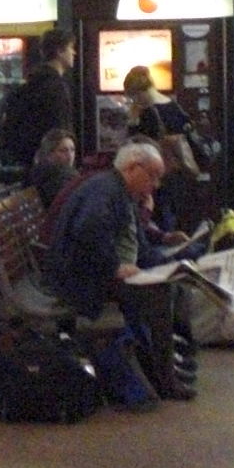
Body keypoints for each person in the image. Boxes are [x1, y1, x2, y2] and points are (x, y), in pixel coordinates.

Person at [39, 141, 195, 400]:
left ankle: (163, 369)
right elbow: (87, 231)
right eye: (153, 176)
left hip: (90, 272)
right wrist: (115, 267)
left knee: (170, 285)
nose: (155, 185)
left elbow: (137, 245)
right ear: (133, 168)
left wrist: (172, 264)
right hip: (82, 280)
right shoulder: (105, 190)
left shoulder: (117, 189)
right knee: (158, 296)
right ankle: (164, 380)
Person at [122, 65, 200, 233]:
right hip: (178, 172)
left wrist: (132, 121)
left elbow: (134, 144)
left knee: (159, 220)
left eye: (132, 97)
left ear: (138, 93)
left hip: (156, 175)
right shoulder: (174, 106)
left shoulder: (145, 113)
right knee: (174, 219)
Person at [0, 28, 75, 166]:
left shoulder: (30, 82)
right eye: (70, 48)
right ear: (59, 51)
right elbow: (59, 129)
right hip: (53, 164)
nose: (74, 53)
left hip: (30, 162)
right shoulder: (56, 87)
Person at [26, 127, 78, 209]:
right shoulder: (58, 177)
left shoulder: (41, 172)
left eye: (72, 150)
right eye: (63, 150)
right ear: (49, 154)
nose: (70, 156)